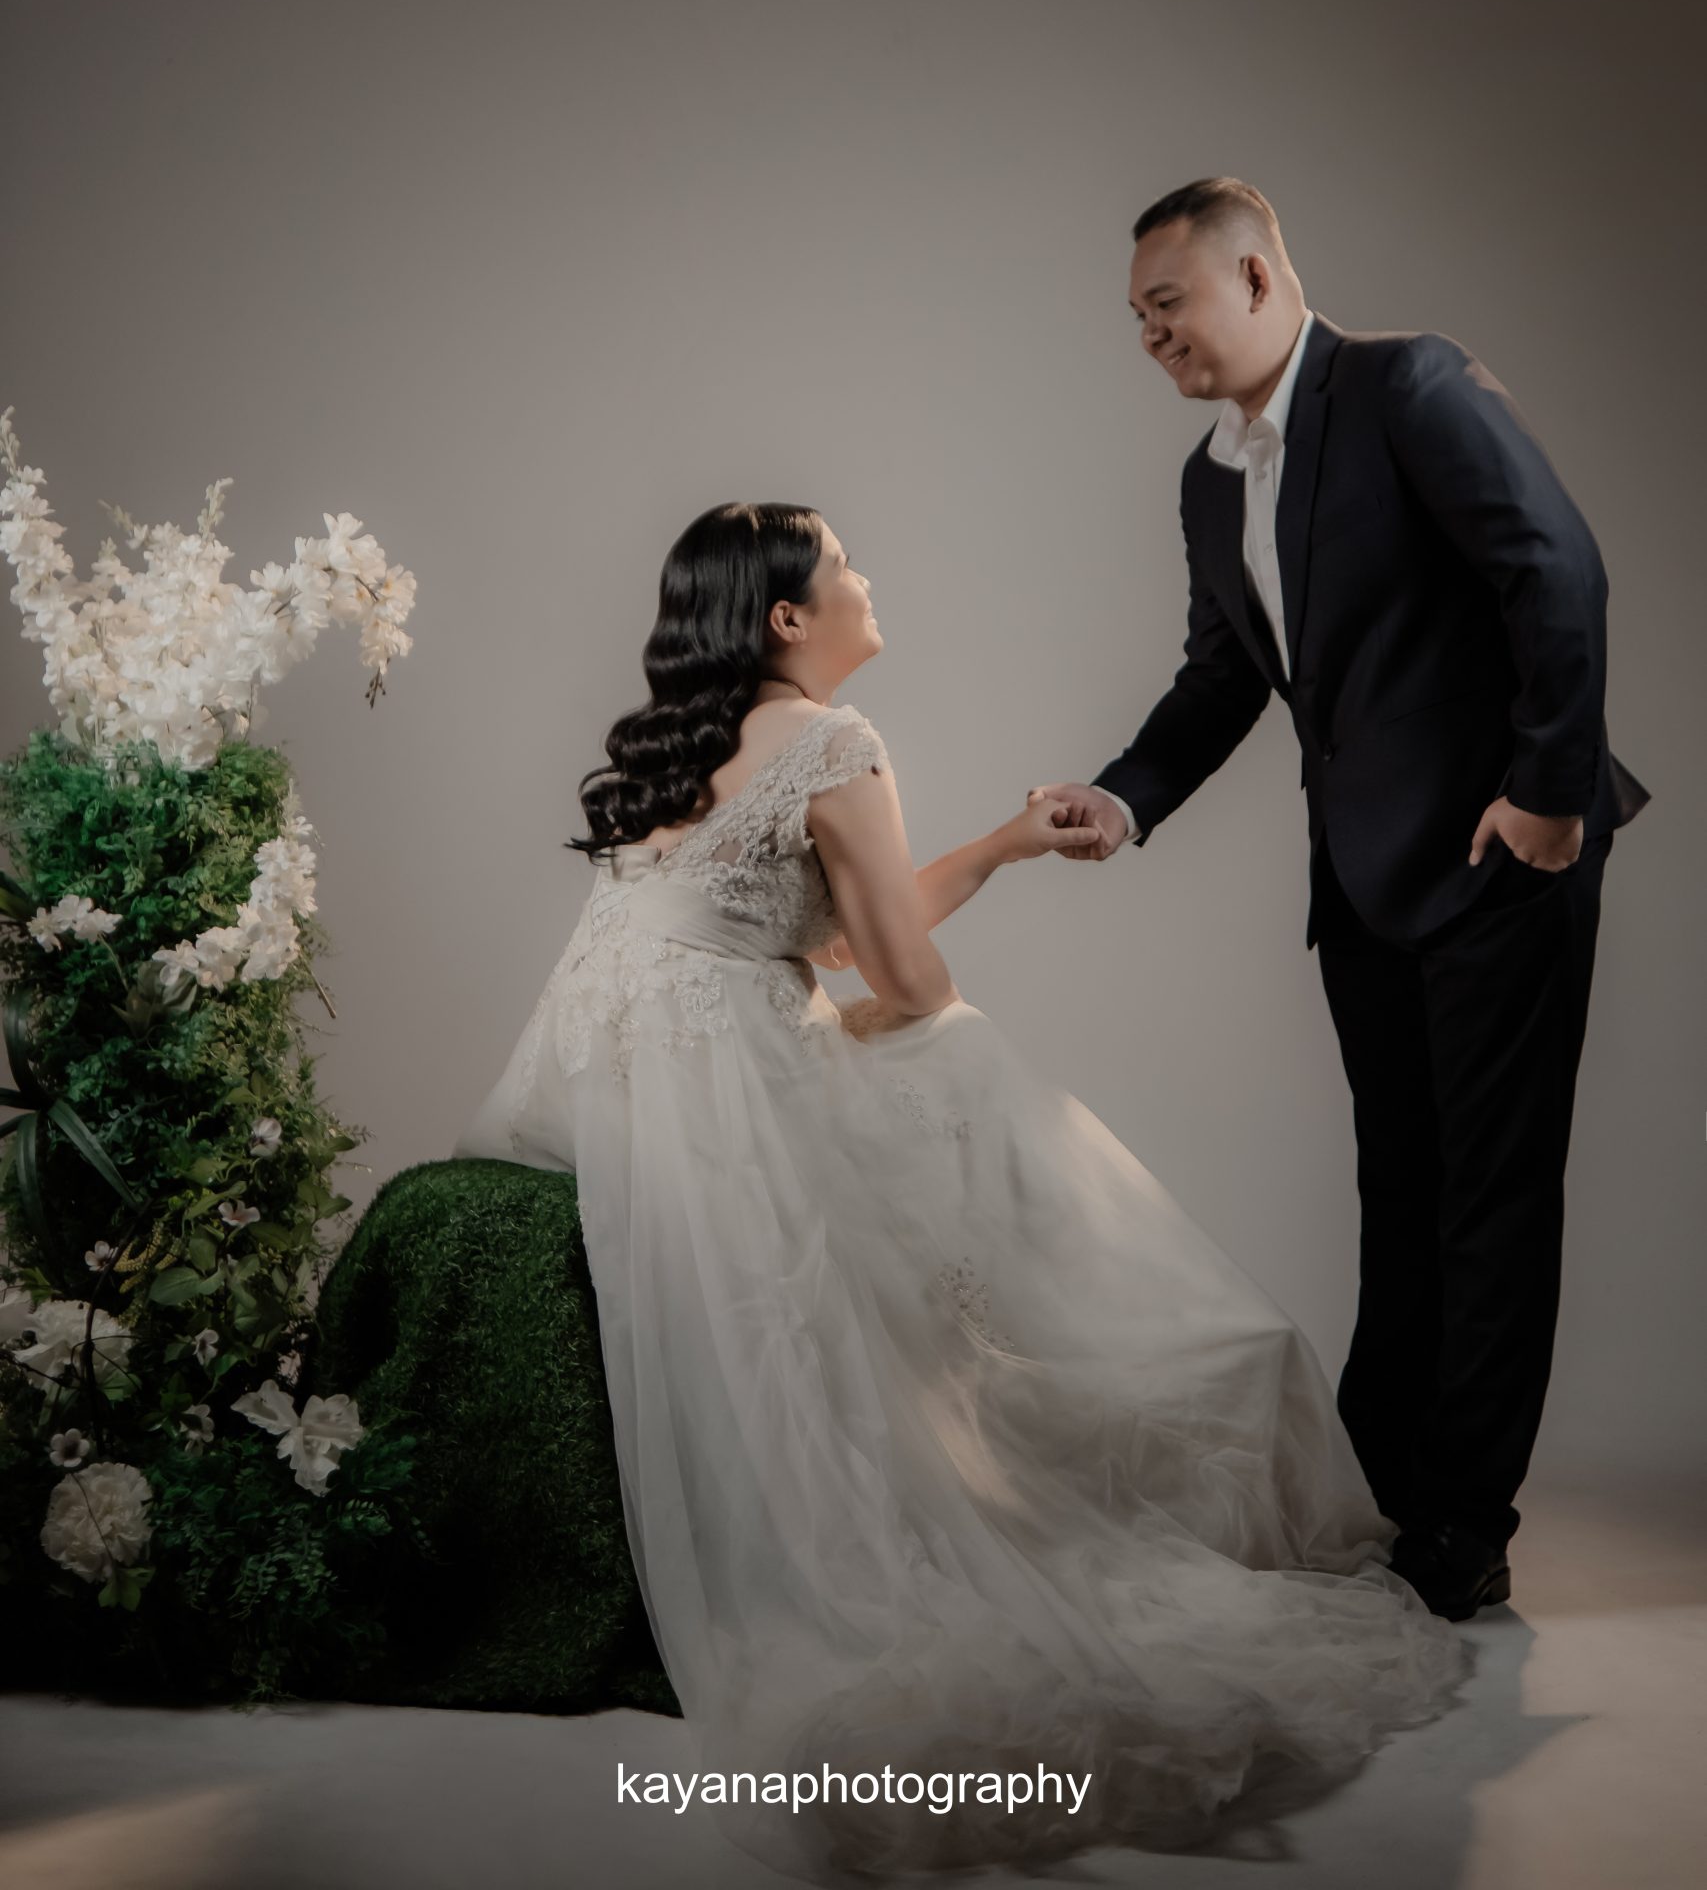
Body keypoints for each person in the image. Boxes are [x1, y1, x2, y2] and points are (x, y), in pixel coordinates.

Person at [454, 497, 1473, 1884]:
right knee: (963, 1058)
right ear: (788, 618)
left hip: (618, 1085)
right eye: (843, 563)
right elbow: (898, 974)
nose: (866, 576)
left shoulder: (690, 743)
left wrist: (1000, 844)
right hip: (726, 1076)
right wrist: (917, 1030)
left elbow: (824, 936)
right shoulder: (831, 739)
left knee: (902, 1074)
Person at [1033, 175, 1650, 1629]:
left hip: (1505, 857)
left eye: (1168, 303)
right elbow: (1224, 677)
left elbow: (1557, 567)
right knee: (1401, 1188)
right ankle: (1381, 1487)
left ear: (1256, 278)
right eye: (1135, 318)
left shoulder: (1407, 385)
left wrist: (1550, 794)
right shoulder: (1210, 480)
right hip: (1363, 884)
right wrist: (1122, 799)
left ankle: (1465, 1525)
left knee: (1491, 1198)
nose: (1150, 335)